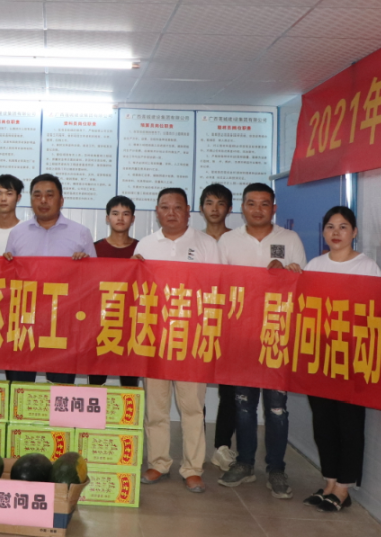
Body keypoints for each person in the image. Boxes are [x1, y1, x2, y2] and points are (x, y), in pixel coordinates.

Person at [216, 182, 306, 499]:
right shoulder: (228, 241)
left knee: (277, 407)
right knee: (243, 405)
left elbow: (303, 286)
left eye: (264, 204)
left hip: (277, 335)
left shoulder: (290, 239)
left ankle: (276, 469)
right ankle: (244, 463)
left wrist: (290, 272)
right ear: (242, 208)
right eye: (251, 203)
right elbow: (217, 284)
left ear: (274, 208)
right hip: (240, 335)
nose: (257, 209)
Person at [132, 188, 222, 494]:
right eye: (165, 207)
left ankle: (193, 468)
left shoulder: (207, 244)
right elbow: (136, 290)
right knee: (155, 407)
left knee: (192, 407)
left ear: (188, 211)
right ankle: (158, 463)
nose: (171, 213)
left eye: (177, 207)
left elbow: (217, 288)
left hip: (192, 338)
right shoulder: (145, 245)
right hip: (154, 337)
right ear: (157, 211)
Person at [301, 206, 381, 512]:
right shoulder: (315, 264)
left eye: (343, 227)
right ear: (323, 232)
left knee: (349, 423)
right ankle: (329, 481)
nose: (336, 233)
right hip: (320, 357)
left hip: (352, 359)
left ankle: (344, 488)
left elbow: (378, 310)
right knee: (323, 422)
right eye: (330, 227)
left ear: (354, 232)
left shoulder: (367, 266)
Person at [4, 174, 96, 384]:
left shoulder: (80, 233)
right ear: (31, 200)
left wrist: (85, 265)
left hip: (63, 321)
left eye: (49, 195)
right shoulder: (18, 233)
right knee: (20, 386)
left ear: (61, 200)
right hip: (25, 321)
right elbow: (9, 278)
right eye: (37, 195)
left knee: (60, 386)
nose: (43, 200)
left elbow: (93, 280)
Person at [198, 183, 239, 472]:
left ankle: (222, 446)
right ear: (201, 208)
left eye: (220, 203)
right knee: (195, 387)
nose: (215, 208)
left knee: (230, 387)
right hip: (198, 322)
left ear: (229, 208)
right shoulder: (194, 240)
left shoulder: (238, 241)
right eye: (209, 202)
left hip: (232, 323)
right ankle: (197, 444)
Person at [89, 195, 140, 387]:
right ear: (107, 218)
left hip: (131, 323)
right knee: (96, 379)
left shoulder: (141, 249)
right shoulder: (94, 249)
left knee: (129, 380)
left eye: (126, 214)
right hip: (100, 323)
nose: (120, 218)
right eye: (115, 213)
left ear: (133, 219)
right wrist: (80, 262)